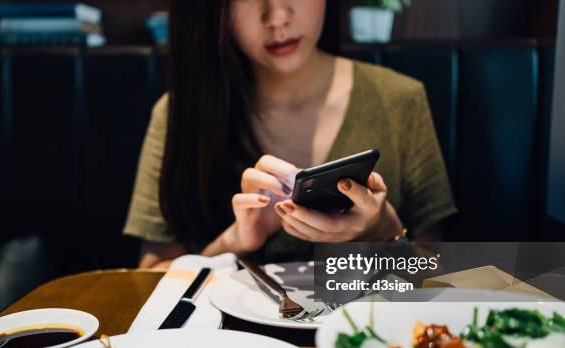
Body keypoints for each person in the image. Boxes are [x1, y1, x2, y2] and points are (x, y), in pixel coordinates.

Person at [124, 0, 457, 268]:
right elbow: (151, 275)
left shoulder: (399, 100)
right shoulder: (179, 113)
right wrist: (235, 242)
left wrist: (383, 228)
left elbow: (441, 272)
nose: (277, 16)